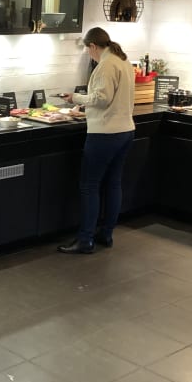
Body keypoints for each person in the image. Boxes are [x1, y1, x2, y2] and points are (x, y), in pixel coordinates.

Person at [57, 27, 135, 254]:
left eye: (87, 50)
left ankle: (85, 240)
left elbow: (102, 99)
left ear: (93, 46)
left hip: (105, 133)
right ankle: (106, 234)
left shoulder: (106, 65)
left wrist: (75, 98)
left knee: (89, 186)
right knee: (113, 184)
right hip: (125, 131)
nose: (89, 54)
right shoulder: (123, 60)